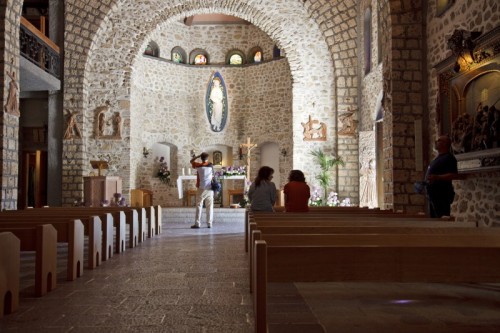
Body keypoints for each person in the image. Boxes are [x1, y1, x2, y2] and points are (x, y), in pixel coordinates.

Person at [425, 135, 462, 218]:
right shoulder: (437, 158)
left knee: (441, 221)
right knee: (433, 221)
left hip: (441, 196)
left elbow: (453, 175)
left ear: (445, 144)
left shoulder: (449, 158)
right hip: (433, 195)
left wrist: (437, 177)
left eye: (439, 140)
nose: (436, 142)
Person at [190, 152, 214, 228]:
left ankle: (197, 223)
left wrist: (197, 156)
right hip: (209, 188)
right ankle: (209, 223)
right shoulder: (210, 165)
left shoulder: (198, 166)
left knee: (199, 206)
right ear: (207, 158)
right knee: (209, 206)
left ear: (201, 158)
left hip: (201, 188)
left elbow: (191, 161)